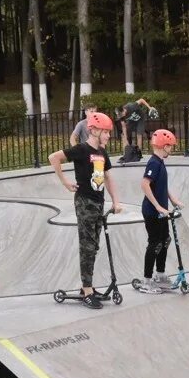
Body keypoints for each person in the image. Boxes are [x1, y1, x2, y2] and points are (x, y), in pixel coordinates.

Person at [48, 112, 123, 309]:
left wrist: (116, 201)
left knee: (94, 245)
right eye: (106, 132)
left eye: (109, 132)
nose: (108, 136)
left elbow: (107, 178)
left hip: (99, 202)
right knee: (87, 246)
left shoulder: (102, 154)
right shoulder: (81, 149)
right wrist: (65, 182)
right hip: (84, 202)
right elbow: (54, 158)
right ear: (94, 130)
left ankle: (86, 287)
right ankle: (87, 290)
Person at [136, 129, 184, 293]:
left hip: (162, 211)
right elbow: (144, 184)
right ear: (164, 146)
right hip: (152, 211)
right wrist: (157, 206)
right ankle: (146, 281)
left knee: (165, 240)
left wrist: (173, 199)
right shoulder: (154, 163)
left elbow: (162, 186)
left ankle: (160, 275)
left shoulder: (160, 162)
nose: (171, 149)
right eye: (170, 146)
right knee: (155, 243)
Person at [118, 98, 157, 163]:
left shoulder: (131, 106)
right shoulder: (121, 116)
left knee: (139, 135)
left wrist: (149, 107)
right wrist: (126, 138)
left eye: (122, 114)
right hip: (131, 121)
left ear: (124, 110)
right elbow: (123, 127)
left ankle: (138, 153)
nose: (122, 116)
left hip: (140, 119)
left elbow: (141, 100)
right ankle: (125, 154)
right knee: (124, 135)